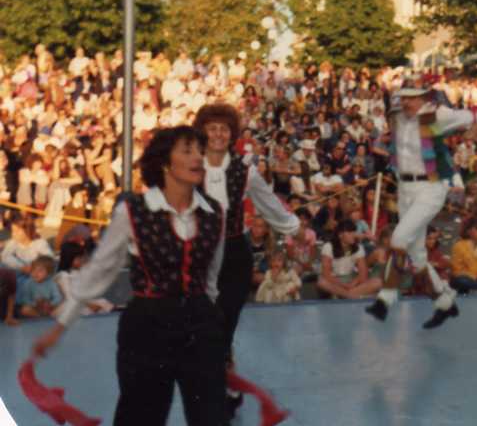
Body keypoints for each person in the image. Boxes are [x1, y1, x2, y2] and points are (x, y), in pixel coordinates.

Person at [32, 126, 229, 426]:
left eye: (200, 151)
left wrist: (216, 334)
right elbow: (99, 271)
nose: (198, 158)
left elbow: (211, 281)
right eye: (187, 150)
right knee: (141, 417)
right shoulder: (133, 211)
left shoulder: (214, 213)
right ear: (165, 162)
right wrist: (60, 326)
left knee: (211, 417)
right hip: (148, 328)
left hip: (200, 327)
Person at [365, 85, 477, 328]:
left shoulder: (438, 116)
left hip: (430, 189)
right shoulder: (398, 116)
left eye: (412, 99)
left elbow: (476, 114)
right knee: (417, 259)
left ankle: (385, 299)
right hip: (405, 190)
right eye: (403, 99)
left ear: (422, 98)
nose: (406, 104)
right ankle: (444, 303)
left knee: (398, 239)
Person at [193, 103, 299, 414]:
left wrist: (291, 225)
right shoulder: (189, 165)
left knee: (226, 322)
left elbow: (269, 204)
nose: (217, 133)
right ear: (202, 131)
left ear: (232, 135)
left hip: (235, 254)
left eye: (224, 128)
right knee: (205, 322)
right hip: (201, 254)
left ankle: (222, 386)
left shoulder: (246, 171)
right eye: (212, 128)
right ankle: (212, 381)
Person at [317, 219, 381, 299]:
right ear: (340, 234)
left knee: (378, 282)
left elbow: (363, 274)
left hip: (351, 279)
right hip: (334, 282)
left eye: (354, 232)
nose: (353, 235)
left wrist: (352, 284)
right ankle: (350, 296)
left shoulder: (358, 247)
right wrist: (343, 285)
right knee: (321, 282)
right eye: (350, 232)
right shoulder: (328, 246)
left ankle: (344, 295)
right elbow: (326, 274)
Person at [450, 218, 477, 294]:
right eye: (474, 229)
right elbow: (457, 269)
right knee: (462, 281)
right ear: (468, 231)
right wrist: (476, 277)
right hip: (464, 277)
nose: (475, 231)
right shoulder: (459, 246)